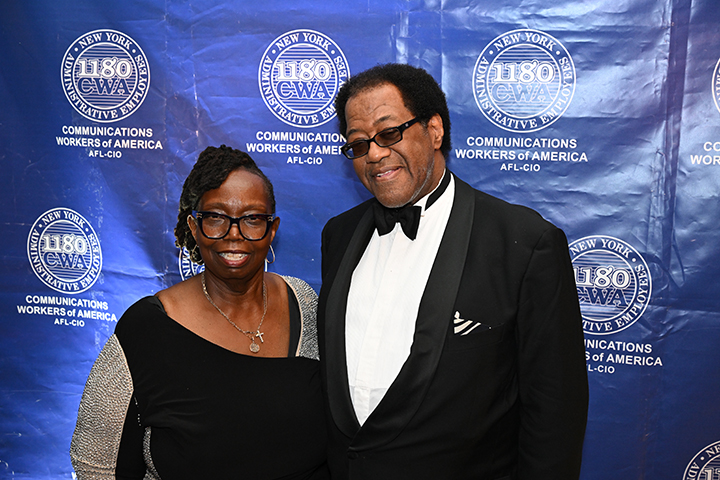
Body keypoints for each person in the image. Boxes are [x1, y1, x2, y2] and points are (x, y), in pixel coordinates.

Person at [318, 64, 588, 479]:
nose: (373, 154)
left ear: (434, 130)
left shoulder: (524, 243)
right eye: (358, 143)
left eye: (389, 133)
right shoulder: (339, 234)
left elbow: (554, 414)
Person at [70, 145, 328, 479]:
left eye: (252, 219)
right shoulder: (146, 330)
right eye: (216, 217)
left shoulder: (304, 303)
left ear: (272, 229)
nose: (234, 234)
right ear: (194, 227)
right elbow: (95, 463)